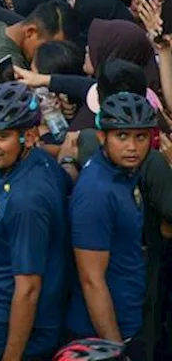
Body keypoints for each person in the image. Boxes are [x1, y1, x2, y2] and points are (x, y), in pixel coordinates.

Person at [0, 81, 71, 361]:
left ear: (28, 135)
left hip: (11, 332)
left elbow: (28, 289)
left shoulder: (26, 202)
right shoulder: (38, 161)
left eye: (2, 136)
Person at [68, 91, 159, 346]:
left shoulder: (123, 174)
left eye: (140, 137)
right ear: (102, 137)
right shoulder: (97, 192)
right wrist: (114, 347)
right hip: (103, 334)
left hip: (129, 315)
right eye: (122, 136)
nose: (132, 147)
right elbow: (91, 280)